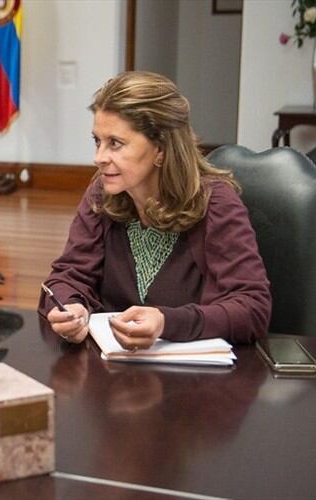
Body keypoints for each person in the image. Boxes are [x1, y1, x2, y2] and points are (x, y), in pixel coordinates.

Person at [39, 71, 271, 349]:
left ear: (160, 148)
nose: (98, 158)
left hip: (197, 382)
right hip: (111, 377)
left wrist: (166, 322)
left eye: (115, 143)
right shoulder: (102, 194)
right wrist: (71, 307)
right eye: (97, 141)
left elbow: (252, 308)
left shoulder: (216, 203)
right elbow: (68, 276)